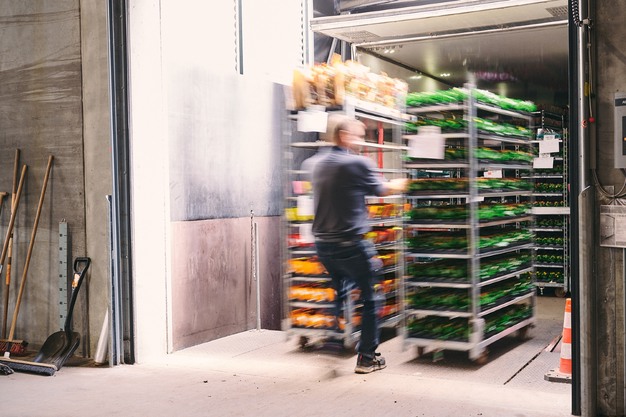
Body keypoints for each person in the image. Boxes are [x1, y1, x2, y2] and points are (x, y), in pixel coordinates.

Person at [310, 117, 407, 374]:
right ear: (343, 135)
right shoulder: (356, 162)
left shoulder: (317, 163)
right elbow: (382, 190)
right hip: (352, 245)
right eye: (359, 136)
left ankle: (332, 340)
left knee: (338, 291)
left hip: (323, 245)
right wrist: (403, 183)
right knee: (372, 296)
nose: (362, 142)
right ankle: (366, 357)